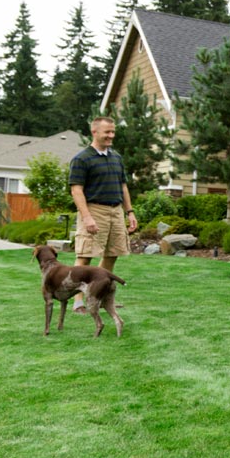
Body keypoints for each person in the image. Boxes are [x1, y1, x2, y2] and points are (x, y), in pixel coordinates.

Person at [68, 115, 138, 313]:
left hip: (115, 211)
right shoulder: (82, 159)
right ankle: (78, 302)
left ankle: (100, 298)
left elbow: (123, 187)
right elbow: (76, 190)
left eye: (113, 132)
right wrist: (87, 216)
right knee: (85, 256)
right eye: (107, 132)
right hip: (94, 210)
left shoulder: (116, 157)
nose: (111, 136)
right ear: (94, 132)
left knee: (112, 254)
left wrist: (129, 212)